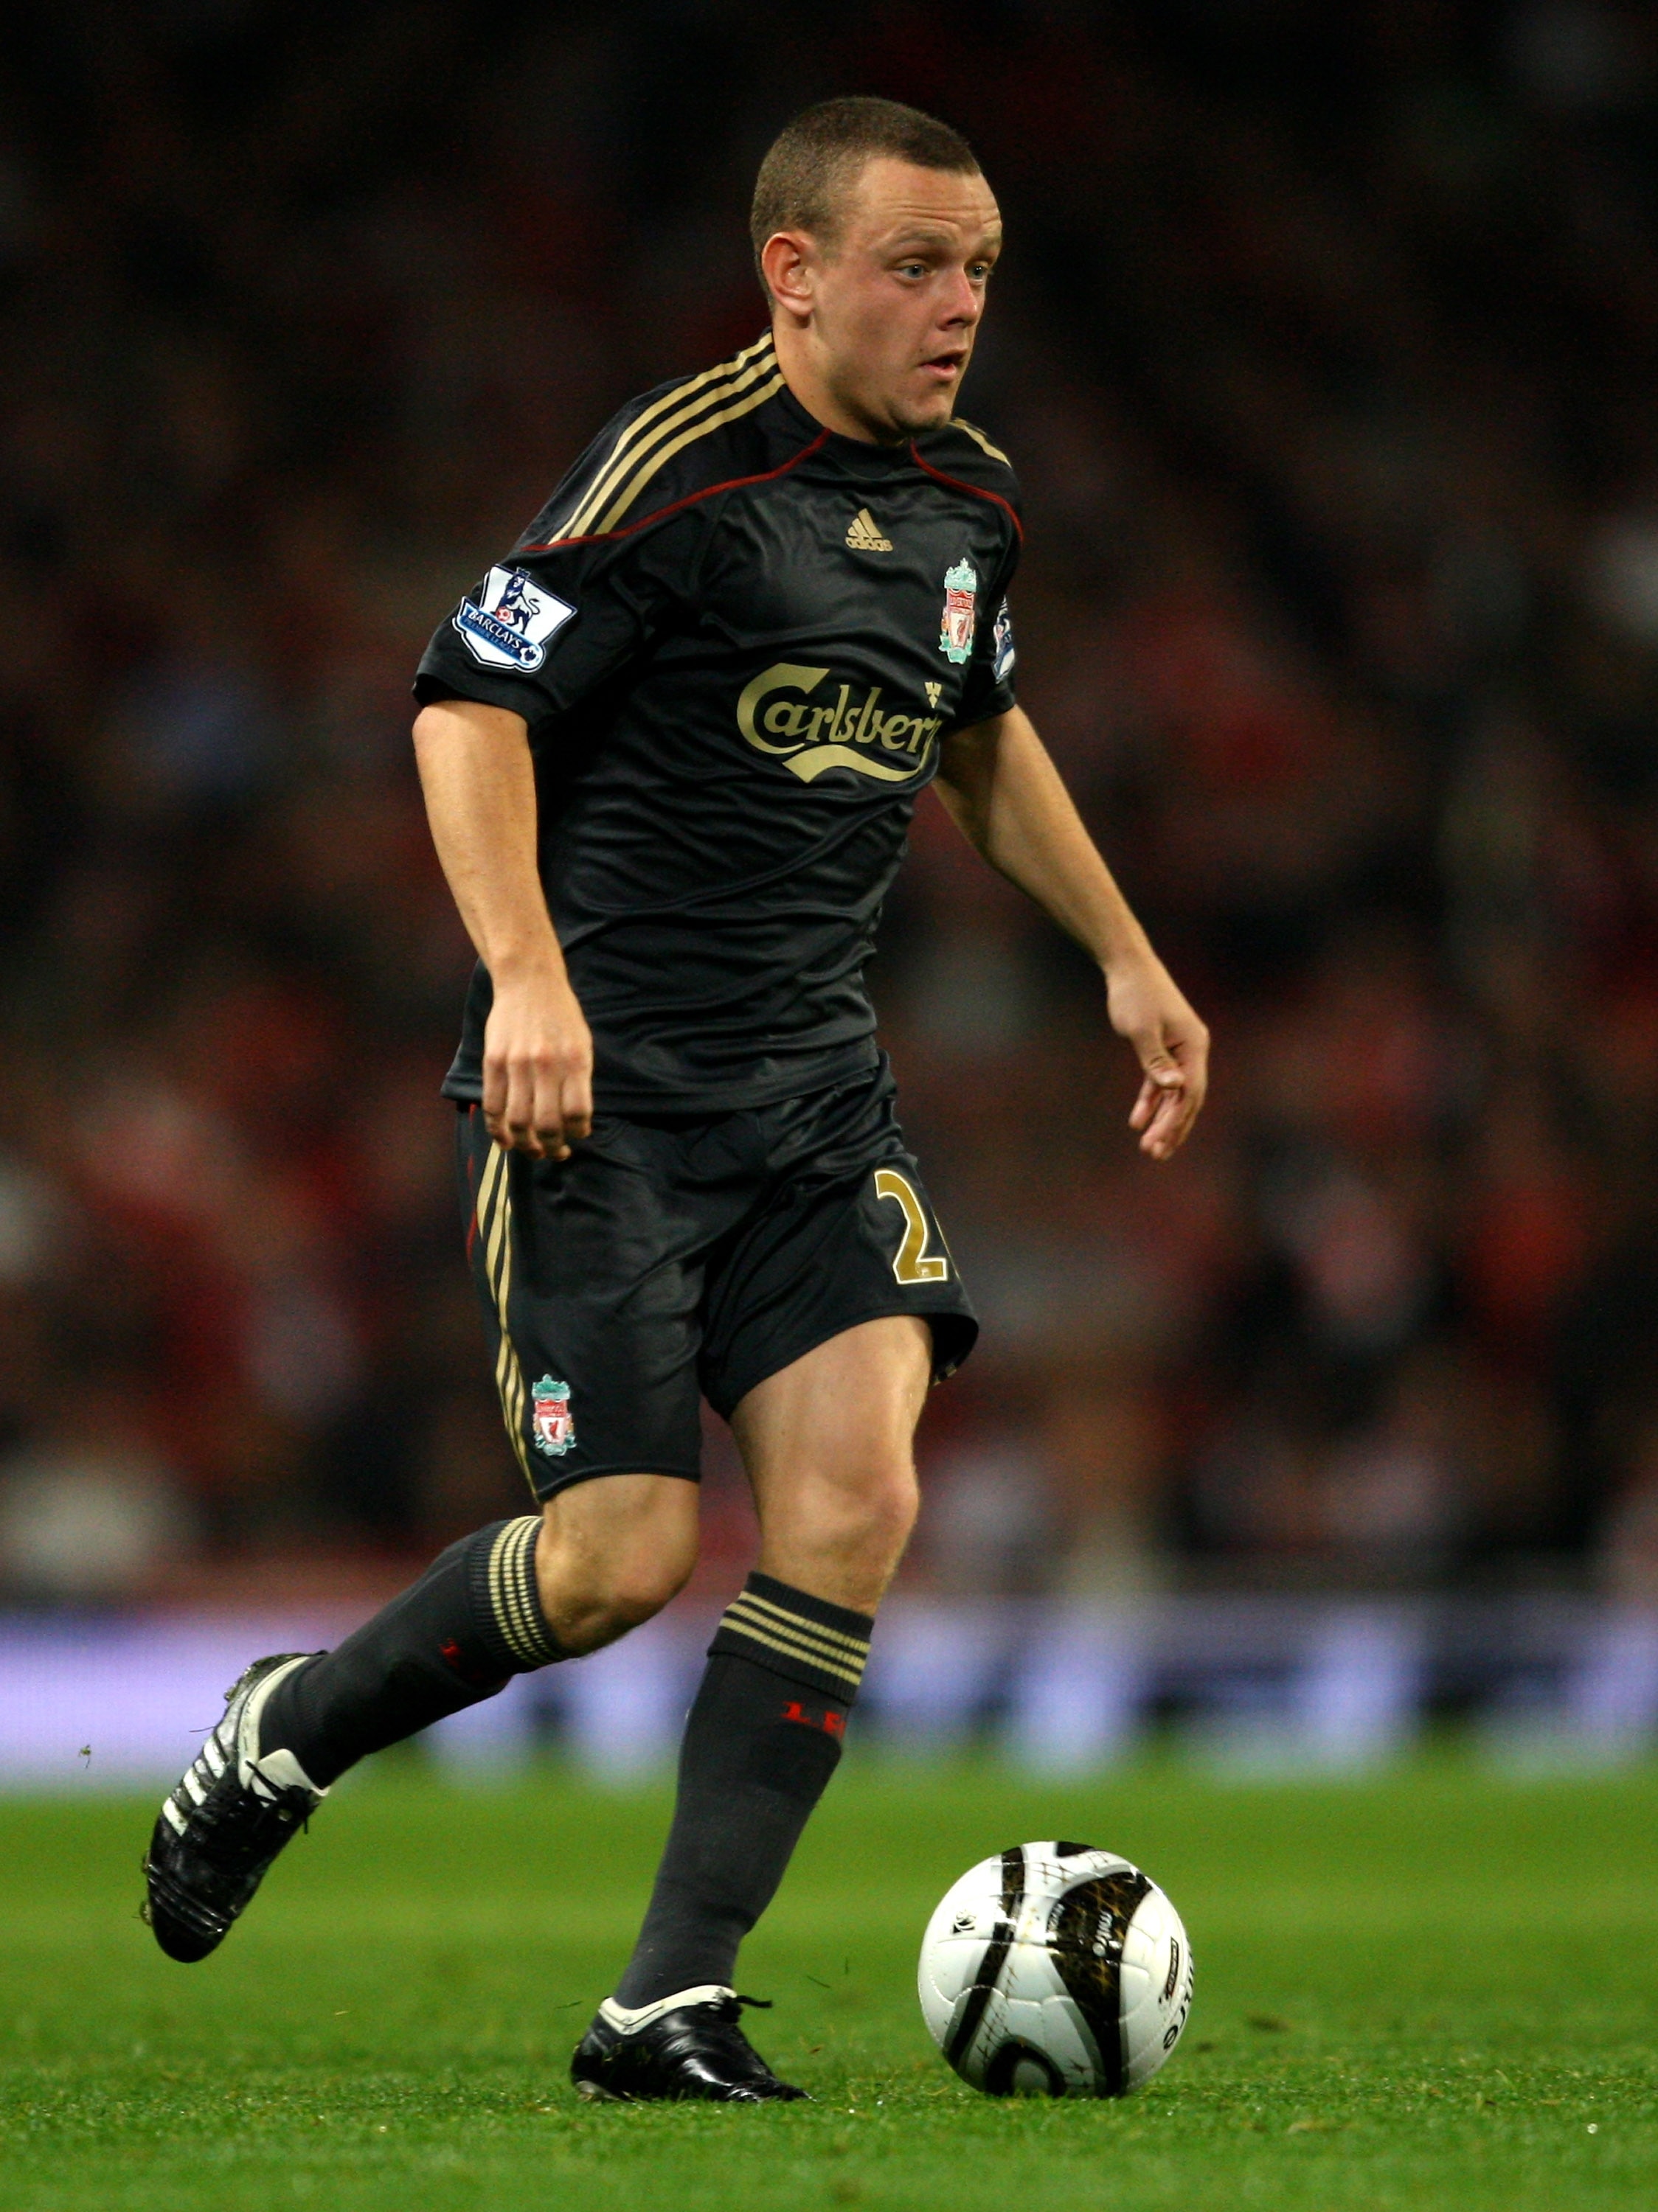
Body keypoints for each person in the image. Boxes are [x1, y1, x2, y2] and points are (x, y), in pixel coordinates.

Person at [143, 94, 1208, 2104]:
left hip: (815, 1103)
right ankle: (289, 1728)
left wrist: (1125, 952)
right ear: (791, 275)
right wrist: (530, 980)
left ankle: (667, 2003)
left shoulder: (972, 505)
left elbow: (979, 732)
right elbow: (467, 704)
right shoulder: (679, 473)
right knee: (625, 1557)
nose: (960, 303)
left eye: (980, 266)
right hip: (602, 1106)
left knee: (860, 1499)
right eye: (916, 264)